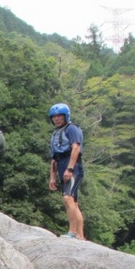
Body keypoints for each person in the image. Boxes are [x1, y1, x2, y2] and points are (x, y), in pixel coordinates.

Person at [48, 103, 85, 240]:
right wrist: (52, 178)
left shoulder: (72, 129)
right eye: (54, 117)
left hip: (72, 165)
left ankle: (73, 232)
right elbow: (54, 159)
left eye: (60, 116)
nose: (57, 119)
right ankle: (80, 236)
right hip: (61, 165)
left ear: (66, 116)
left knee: (67, 198)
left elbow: (76, 148)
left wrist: (70, 169)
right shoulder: (56, 133)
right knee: (73, 202)